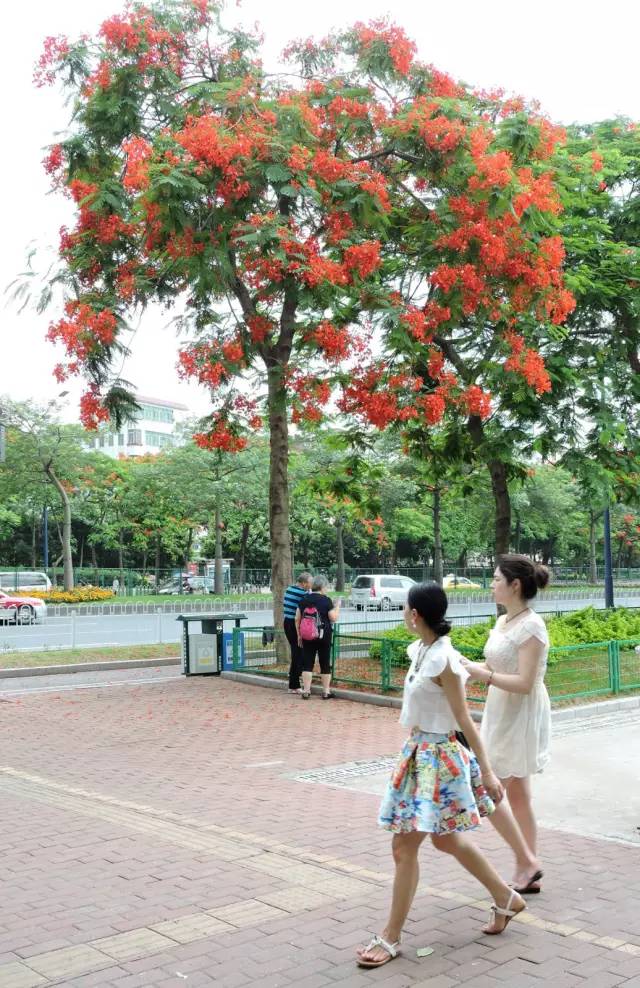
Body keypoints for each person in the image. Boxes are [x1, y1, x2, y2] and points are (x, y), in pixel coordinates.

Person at [357, 583, 525, 970]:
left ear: (415, 615)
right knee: (446, 840)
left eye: (406, 608)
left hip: (439, 758)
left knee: (404, 847)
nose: (403, 613)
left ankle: (391, 936)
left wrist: (487, 772)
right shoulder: (420, 650)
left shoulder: (443, 659)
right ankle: (506, 898)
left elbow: (464, 718)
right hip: (419, 754)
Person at [462, 554, 551, 895]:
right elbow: (494, 665)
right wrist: (466, 668)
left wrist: (483, 675)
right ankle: (527, 867)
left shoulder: (532, 626)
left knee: (490, 789)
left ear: (515, 585)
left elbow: (525, 682)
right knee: (518, 794)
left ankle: (527, 862)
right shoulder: (504, 621)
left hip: (521, 713)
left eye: (497, 578)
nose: (492, 584)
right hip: (500, 708)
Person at [295, 575, 341, 699]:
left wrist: (299, 635)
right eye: (326, 587)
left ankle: (306, 691)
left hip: (307, 636)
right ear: (322, 587)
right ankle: (326, 692)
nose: (327, 589)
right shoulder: (326, 600)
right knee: (324, 662)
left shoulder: (304, 599)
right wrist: (337, 606)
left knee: (307, 663)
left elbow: (297, 618)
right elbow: (333, 618)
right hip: (323, 636)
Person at [282, 572, 313, 694]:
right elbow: (312, 601)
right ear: (304, 583)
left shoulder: (289, 589)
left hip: (287, 622)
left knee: (296, 651)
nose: (311, 585)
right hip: (295, 624)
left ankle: (293, 677)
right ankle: (294, 685)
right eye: (310, 582)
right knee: (298, 653)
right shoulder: (303, 594)